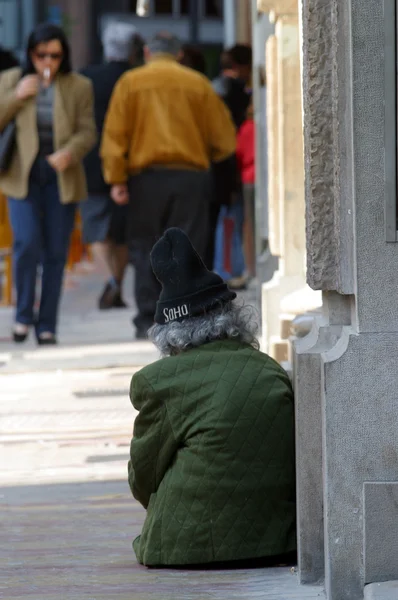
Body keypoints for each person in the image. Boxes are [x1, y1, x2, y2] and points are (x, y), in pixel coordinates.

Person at [128, 227, 296, 567]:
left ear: (166, 334)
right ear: (230, 317)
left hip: (187, 546)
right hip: (276, 542)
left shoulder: (158, 381)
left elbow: (142, 477)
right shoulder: (270, 370)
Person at [100, 32, 236, 339]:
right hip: (190, 176)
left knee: (145, 247)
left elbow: (114, 136)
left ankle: (149, 318)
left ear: (148, 52)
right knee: (190, 248)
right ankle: (187, 317)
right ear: (178, 55)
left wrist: (116, 178)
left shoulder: (130, 83)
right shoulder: (197, 83)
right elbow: (224, 140)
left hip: (145, 178)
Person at [0, 23, 96, 345]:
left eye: (55, 56)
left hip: (61, 176)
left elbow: (88, 131)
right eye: (42, 55)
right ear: (31, 54)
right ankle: (23, 316)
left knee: (56, 252)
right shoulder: (12, 80)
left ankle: (47, 325)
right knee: (26, 244)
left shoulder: (78, 85)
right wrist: (16, 97)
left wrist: (69, 152)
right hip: (22, 176)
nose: (48, 62)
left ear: (63, 56)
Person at [80, 22, 145, 310]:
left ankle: (112, 282)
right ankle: (115, 285)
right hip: (129, 163)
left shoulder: (86, 78)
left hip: (90, 162)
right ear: (132, 50)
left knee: (96, 228)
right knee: (121, 232)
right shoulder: (136, 78)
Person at [236, 100, 256, 279]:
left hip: (249, 176)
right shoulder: (260, 126)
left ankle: (250, 269)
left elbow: (239, 153)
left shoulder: (247, 127)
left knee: (249, 224)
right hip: (262, 175)